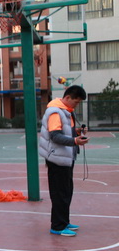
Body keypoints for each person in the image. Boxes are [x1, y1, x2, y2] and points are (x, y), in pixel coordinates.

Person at [39, 85, 89, 237]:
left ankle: (64, 221)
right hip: (57, 159)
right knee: (60, 193)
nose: (77, 105)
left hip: (66, 158)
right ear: (67, 98)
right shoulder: (55, 112)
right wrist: (75, 141)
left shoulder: (66, 111)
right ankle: (58, 226)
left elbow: (65, 131)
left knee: (66, 191)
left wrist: (77, 132)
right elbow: (55, 136)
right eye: (76, 102)